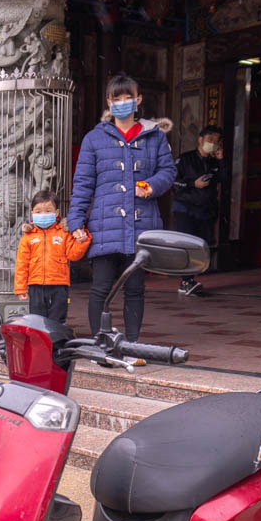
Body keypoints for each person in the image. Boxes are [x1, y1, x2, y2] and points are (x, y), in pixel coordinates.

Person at [67, 73, 176, 354]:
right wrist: (76, 220)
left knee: (136, 288)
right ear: (109, 102)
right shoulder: (94, 138)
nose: (123, 102)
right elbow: (83, 183)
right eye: (118, 98)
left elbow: (168, 171)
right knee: (101, 287)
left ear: (138, 101)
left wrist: (151, 186)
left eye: (129, 97)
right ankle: (100, 343)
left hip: (141, 225)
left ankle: (133, 345)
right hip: (104, 224)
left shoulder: (154, 136)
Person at [15, 190, 90, 323]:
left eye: (48, 210)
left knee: (58, 318)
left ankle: (56, 337)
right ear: (32, 213)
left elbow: (73, 255)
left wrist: (82, 241)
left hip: (59, 285)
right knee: (37, 320)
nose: (43, 214)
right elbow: (22, 264)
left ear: (56, 213)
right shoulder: (28, 238)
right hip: (35, 286)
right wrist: (20, 288)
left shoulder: (64, 234)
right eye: (38, 212)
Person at [171, 124, 228, 296]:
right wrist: (192, 184)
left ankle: (189, 279)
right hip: (185, 208)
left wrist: (221, 160)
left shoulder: (213, 162)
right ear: (200, 140)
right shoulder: (185, 159)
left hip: (205, 210)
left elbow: (225, 179)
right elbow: (173, 182)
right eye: (210, 139)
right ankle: (186, 281)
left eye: (216, 141)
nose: (213, 143)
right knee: (187, 245)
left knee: (201, 246)